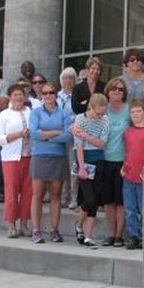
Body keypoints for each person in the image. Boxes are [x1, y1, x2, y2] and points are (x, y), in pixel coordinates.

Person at [28, 81, 72, 243]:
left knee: (56, 195)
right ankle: (36, 230)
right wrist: (55, 132)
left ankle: (55, 230)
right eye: (45, 93)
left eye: (51, 92)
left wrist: (45, 134)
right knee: (37, 195)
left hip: (57, 157)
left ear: (56, 94)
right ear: (41, 95)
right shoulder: (36, 113)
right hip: (39, 156)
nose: (48, 96)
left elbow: (67, 136)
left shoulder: (64, 113)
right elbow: (33, 134)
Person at [0, 84, 34, 238]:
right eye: (15, 95)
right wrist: (18, 135)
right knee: (11, 192)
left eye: (21, 95)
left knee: (27, 193)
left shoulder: (30, 112)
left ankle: (24, 224)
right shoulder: (5, 114)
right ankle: (11, 224)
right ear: (10, 97)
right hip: (11, 158)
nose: (18, 97)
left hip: (29, 156)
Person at [72, 93, 110, 248]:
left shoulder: (105, 120)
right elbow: (79, 144)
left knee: (95, 200)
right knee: (89, 198)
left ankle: (88, 236)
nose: (100, 116)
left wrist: (85, 134)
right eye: (98, 113)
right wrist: (81, 167)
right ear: (91, 108)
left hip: (98, 159)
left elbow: (101, 143)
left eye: (102, 113)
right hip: (84, 159)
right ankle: (79, 224)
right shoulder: (80, 119)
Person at [121, 99, 144, 249]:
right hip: (129, 174)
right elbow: (128, 152)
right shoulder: (128, 132)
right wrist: (124, 167)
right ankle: (133, 236)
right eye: (133, 112)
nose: (135, 114)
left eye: (138, 111)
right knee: (130, 209)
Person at [100, 78, 130, 247]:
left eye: (120, 89)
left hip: (122, 161)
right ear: (108, 92)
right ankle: (111, 234)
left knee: (120, 201)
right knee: (108, 201)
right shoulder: (103, 111)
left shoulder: (128, 110)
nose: (117, 92)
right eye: (114, 89)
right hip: (104, 160)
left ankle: (119, 235)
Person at [57, 67, 78, 209]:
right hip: (58, 135)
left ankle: (74, 197)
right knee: (61, 167)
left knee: (73, 167)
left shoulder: (78, 95)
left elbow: (80, 114)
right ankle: (63, 196)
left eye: (71, 78)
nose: (68, 81)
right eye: (65, 78)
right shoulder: (56, 96)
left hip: (73, 135)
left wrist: (68, 120)